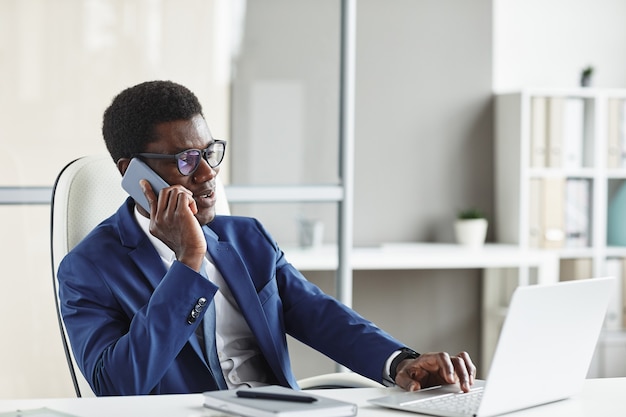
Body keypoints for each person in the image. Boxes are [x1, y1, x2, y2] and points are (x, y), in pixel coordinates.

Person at [57, 80, 476, 396]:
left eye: (209, 152)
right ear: (132, 173)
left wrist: (402, 362)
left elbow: (319, 315)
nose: (207, 174)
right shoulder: (88, 269)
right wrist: (188, 262)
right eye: (185, 160)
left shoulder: (247, 238)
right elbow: (116, 386)